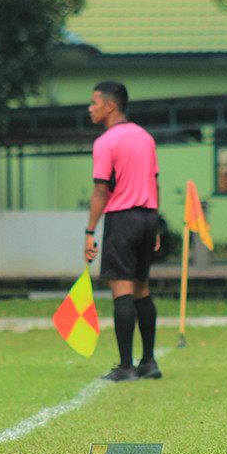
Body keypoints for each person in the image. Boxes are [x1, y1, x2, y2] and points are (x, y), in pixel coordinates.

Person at [84, 81, 162, 382]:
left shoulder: (105, 142)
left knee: (122, 290)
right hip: (147, 218)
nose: (90, 108)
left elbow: (101, 191)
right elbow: (154, 182)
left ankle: (126, 366)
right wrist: (154, 223)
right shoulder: (145, 138)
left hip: (122, 219)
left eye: (93, 102)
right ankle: (149, 362)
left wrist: (89, 231)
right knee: (142, 288)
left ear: (110, 106)